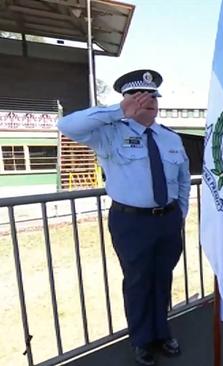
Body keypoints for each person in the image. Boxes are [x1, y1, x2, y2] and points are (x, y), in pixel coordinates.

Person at [57, 69, 190, 366]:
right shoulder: (109, 133)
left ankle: (162, 331)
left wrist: (179, 213)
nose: (148, 101)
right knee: (137, 280)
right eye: (138, 96)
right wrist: (118, 111)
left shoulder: (169, 137)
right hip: (132, 222)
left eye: (153, 96)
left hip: (167, 220)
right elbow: (65, 124)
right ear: (125, 101)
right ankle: (142, 339)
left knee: (163, 278)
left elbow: (182, 179)